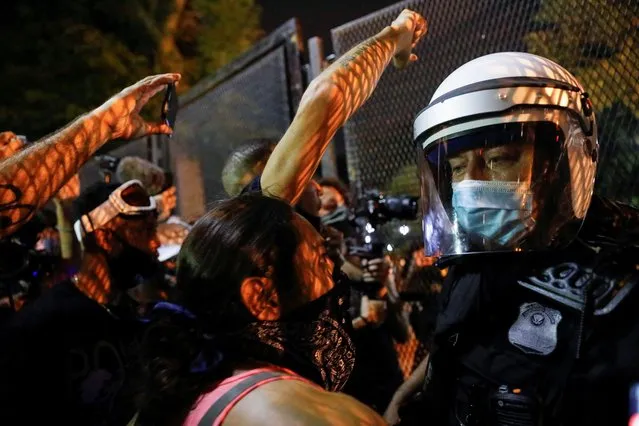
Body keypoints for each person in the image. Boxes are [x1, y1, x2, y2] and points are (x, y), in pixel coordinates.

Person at [135, 8, 428, 425]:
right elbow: (326, 99)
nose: (308, 174)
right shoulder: (272, 225)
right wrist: (394, 36)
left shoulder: (208, 365)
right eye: (318, 259)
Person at [393, 52, 639, 426]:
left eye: (500, 158)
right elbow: (451, 346)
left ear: (564, 161)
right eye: (457, 169)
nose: (473, 183)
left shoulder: (621, 269)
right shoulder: (475, 260)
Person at [0, 179, 162, 425]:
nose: (156, 244)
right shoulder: (46, 325)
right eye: (146, 231)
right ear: (104, 238)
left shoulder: (133, 317)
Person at [0, 73, 180, 239]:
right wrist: (105, 124)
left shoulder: (41, 215)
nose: (6, 136)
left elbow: (69, 268)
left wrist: (65, 210)